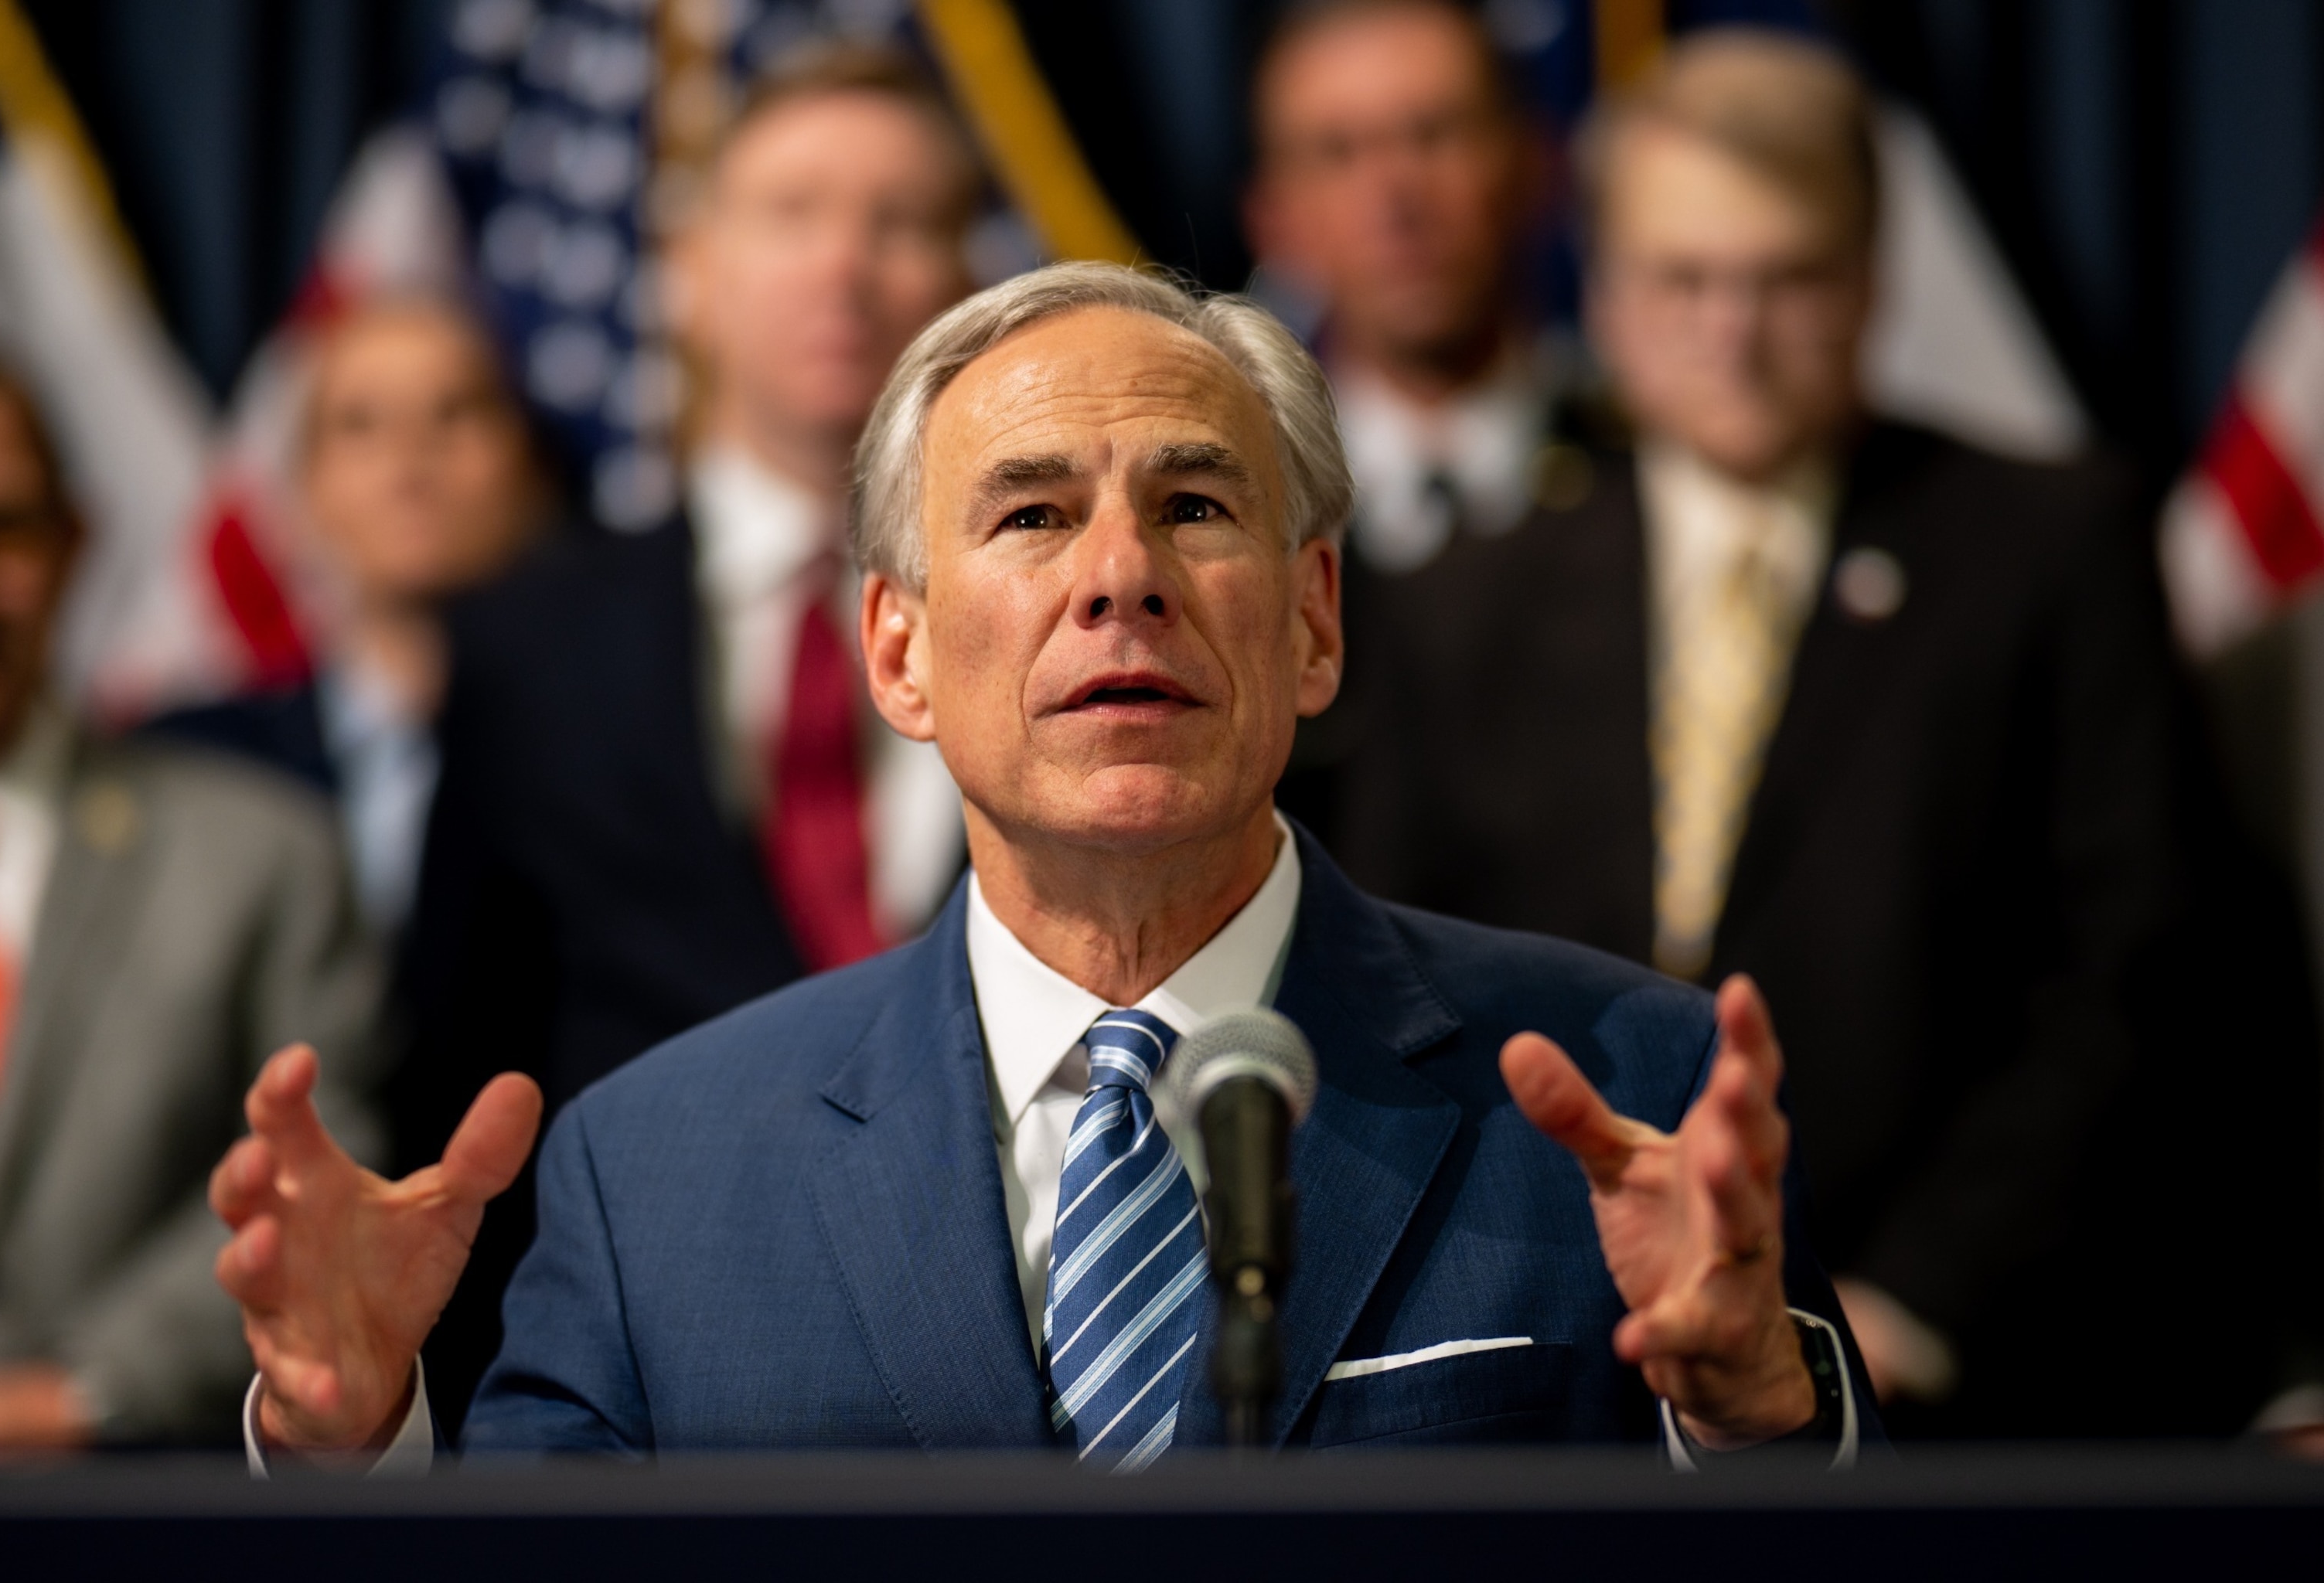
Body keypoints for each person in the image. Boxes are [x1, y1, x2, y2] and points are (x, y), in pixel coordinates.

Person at [212, 260, 1879, 1469]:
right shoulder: (648, 1184)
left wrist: (1749, 1415)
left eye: (1199, 505)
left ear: (1313, 621)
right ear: (900, 653)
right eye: (1026, 516)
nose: (1119, 577)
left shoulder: (1623, 1089)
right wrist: (355, 1453)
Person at [1328, 29, 2322, 1435]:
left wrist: (1900, 1302)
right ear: (1603, 292)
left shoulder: (2050, 547)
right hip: (1563, 1377)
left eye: (1785, 277)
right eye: (1682, 279)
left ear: (1870, 281)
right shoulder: (1456, 600)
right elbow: (1399, 992)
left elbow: (2137, 968)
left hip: (1972, 1381)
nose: (1730, 330)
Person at [392, 43, 979, 1434]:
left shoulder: (1072, 619)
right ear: (691, 271)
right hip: (651, 1384)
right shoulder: (524, 638)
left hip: (1015, 1387)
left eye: (899, 220)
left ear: (966, 281)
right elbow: (461, 1063)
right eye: (790, 213)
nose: (844, 265)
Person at [0, 343, 381, 1455]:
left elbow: (328, 1165)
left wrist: (85, 1393)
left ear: (73, 542)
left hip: (161, 1505)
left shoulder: (263, 852)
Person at [1244, 0, 1566, 829]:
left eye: (1435, 134)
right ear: (1273, 219)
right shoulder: (1237, 520)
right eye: (1339, 153)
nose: (1396, 196)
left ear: (1532, 166)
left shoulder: (1655, 479)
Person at [151, 297, 547, 934]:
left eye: (455, 412)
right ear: (305, 488)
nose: (410, 461)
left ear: (527, 467)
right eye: (361, 425)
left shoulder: (627, 744)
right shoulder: (195, 764)